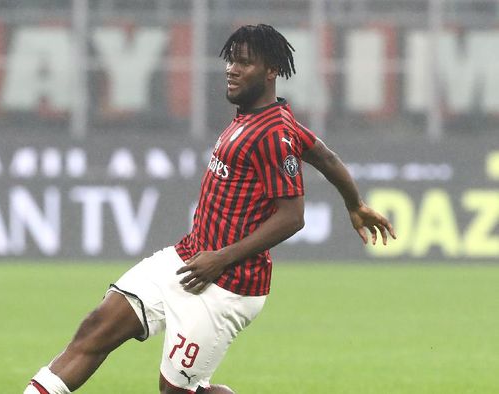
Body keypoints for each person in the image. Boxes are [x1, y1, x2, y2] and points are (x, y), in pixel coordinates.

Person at [23, 24, 396, 394]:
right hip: (188, 259)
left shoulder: (270, 134)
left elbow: (292, 216)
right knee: (96, 328)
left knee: (176, 393)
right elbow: (325, 156)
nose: (232, 69)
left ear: (271, 72)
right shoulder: (260, 119)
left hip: (226, 284)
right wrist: (355, 204)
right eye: (231, 61)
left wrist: (220, 258)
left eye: (244, 63)